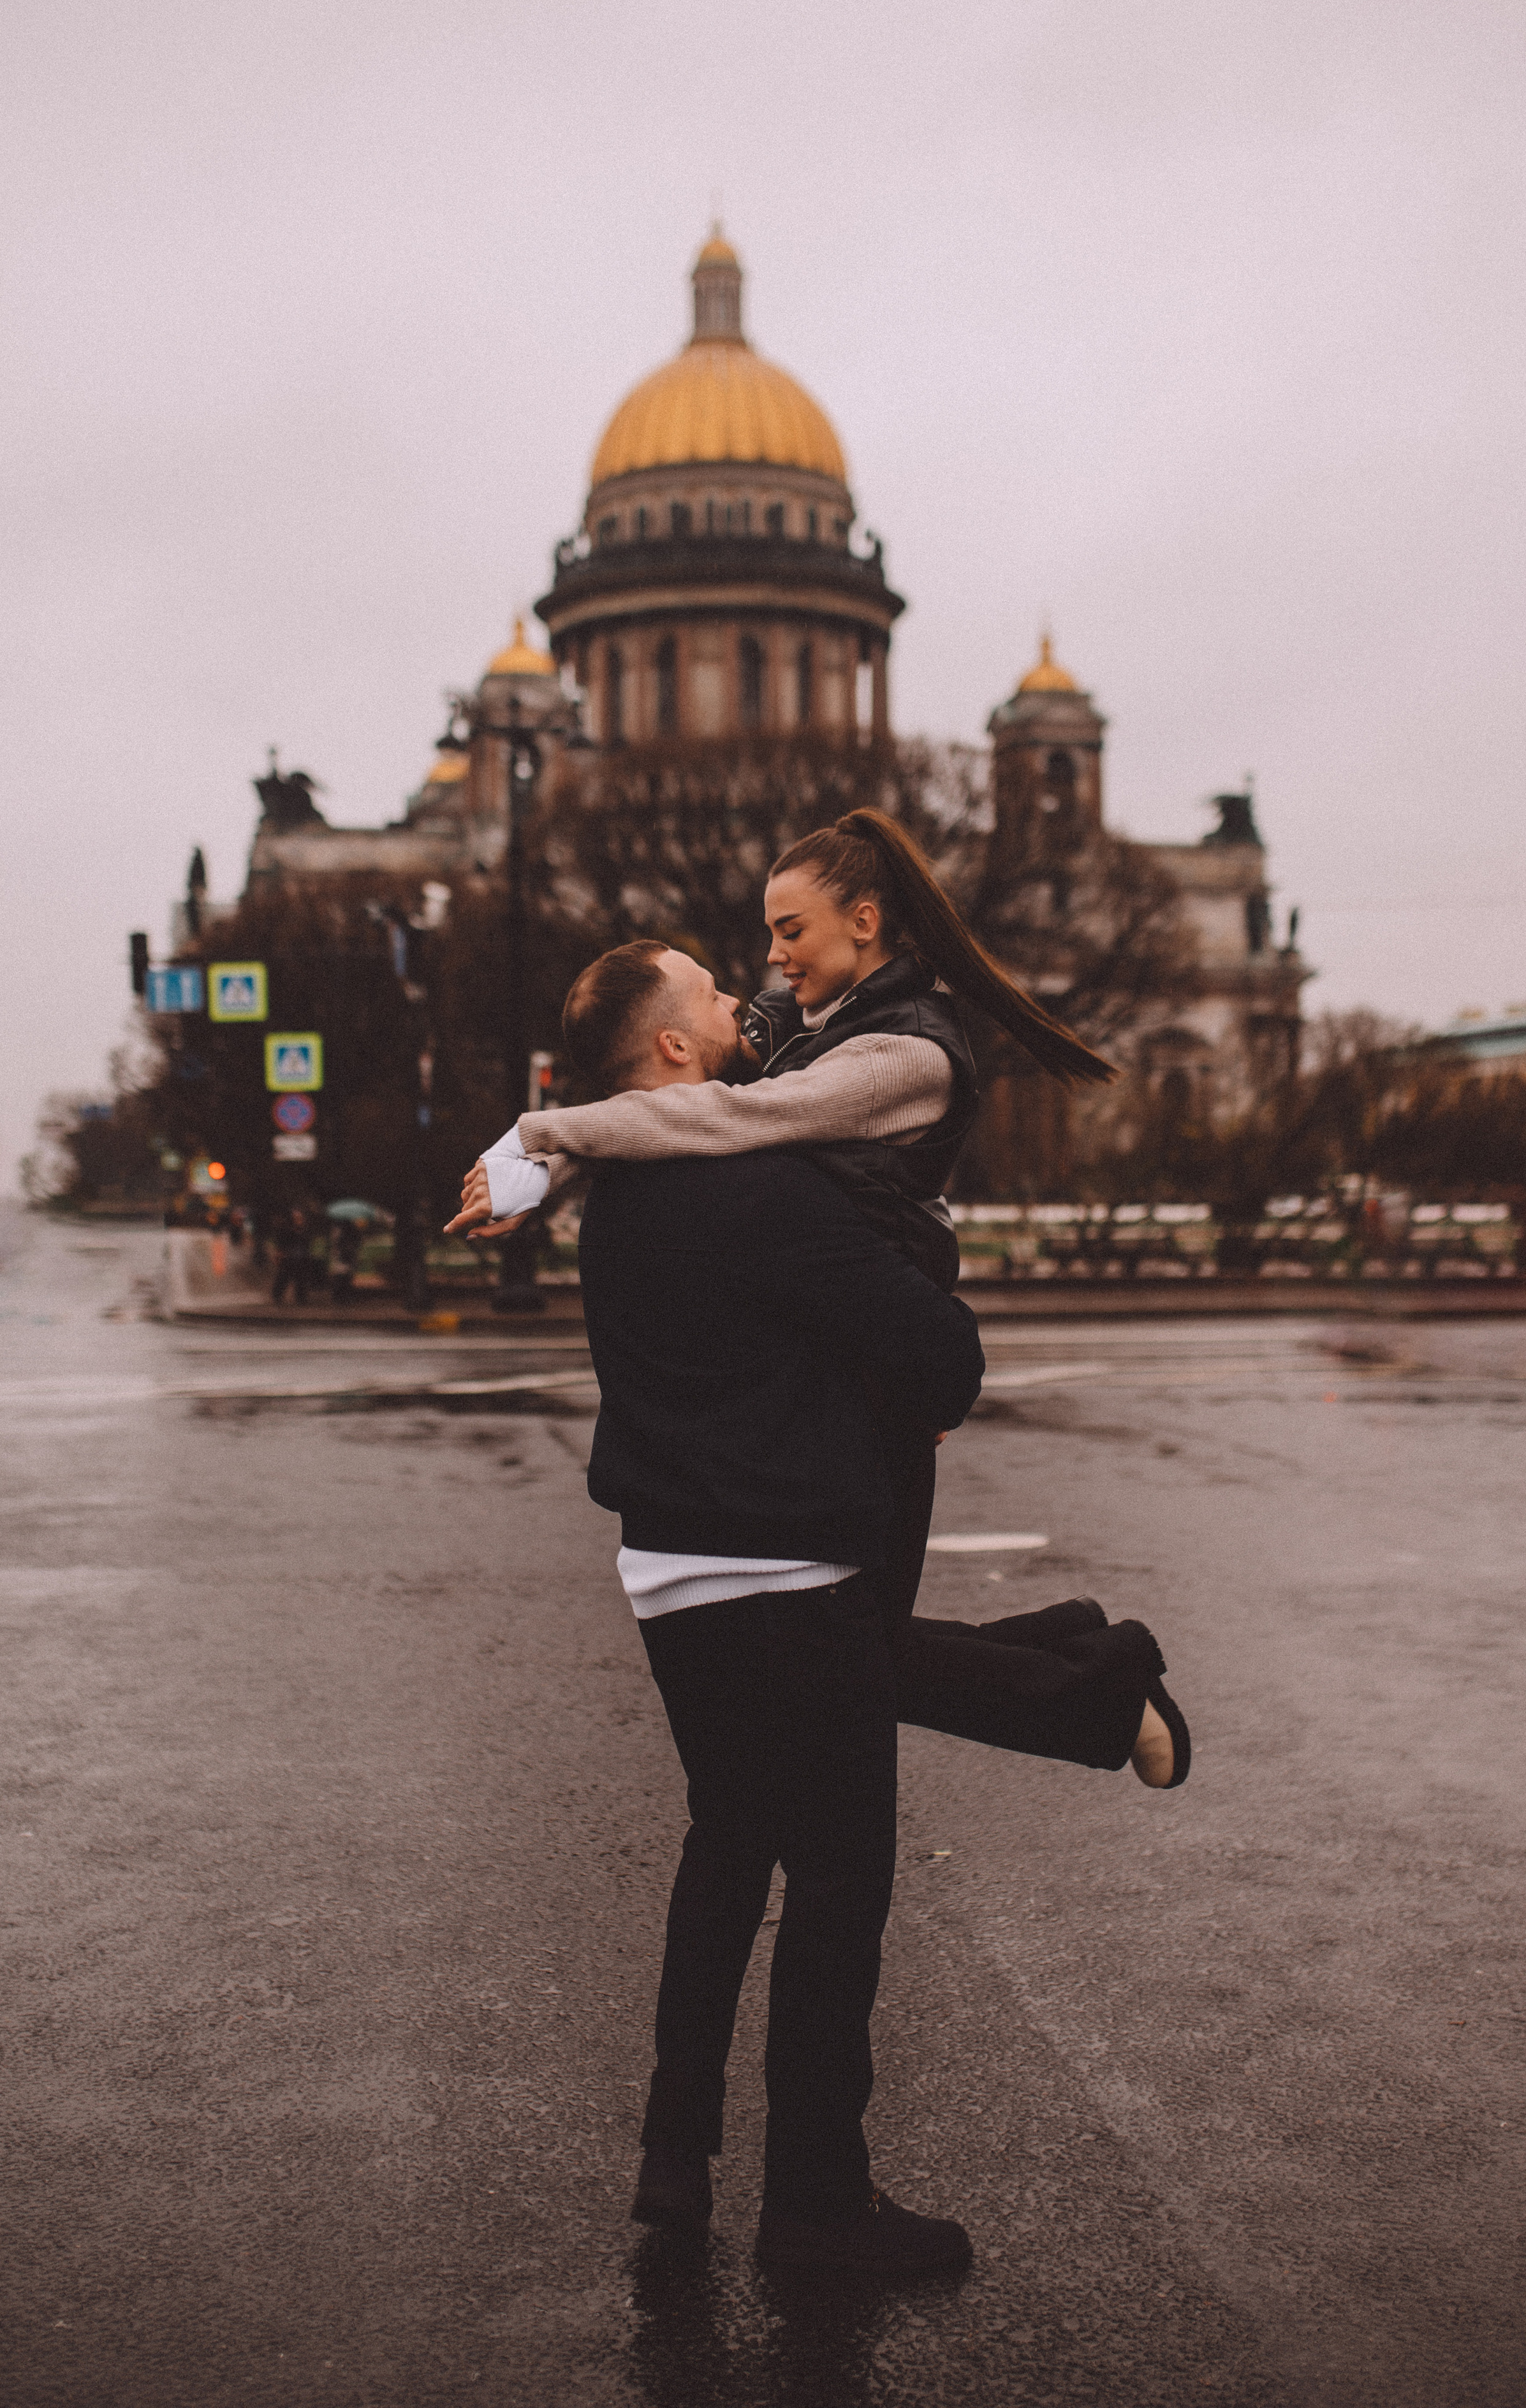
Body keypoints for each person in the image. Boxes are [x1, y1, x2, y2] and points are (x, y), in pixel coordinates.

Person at [449, 812, 1189, 1790]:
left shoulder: (904, 1057)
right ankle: (1080, 1654)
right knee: (852, 1654)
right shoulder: (807, 1018)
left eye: (790, 930)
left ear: (865, 923)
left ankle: (1103, 1683)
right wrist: (541, 1171)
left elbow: (732, 1114)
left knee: (859, 1657)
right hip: (847, 1359)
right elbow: (675, 1086)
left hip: (889, 1370)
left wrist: (539, 1137)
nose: (771, 957)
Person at [554, 938, 986, 2273]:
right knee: (840, 1884)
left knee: (727, 1845)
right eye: (707, 992)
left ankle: (674, 2159)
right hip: (793, 1579)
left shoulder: (615, 1199)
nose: (744, 997)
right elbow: (940, 1352)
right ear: (674, 1050)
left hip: (668, 1580)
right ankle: (815, 2205)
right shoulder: (766, 1189)